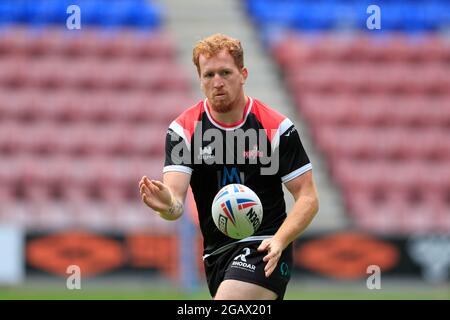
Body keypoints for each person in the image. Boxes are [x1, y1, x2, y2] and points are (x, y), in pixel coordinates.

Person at [139, 33, 319, 300]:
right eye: (208, 75)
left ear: (243, 74)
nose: (217, 82)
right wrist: (166, 205)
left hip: (264, 247)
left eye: (225, 72)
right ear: (200, 80)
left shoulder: (276, 127)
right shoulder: (183, 130)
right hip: (216, 254)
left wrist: (280, 240)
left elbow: (308, 197)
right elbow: (175, 204)